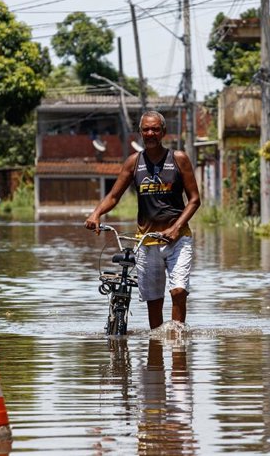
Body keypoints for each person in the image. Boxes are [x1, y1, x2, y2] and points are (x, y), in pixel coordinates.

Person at [85, 110, 201, 329]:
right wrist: (96, 213)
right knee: (154, 301)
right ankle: (156, 350)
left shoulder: (178, 159)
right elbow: (113, 196)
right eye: (146, 129)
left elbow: (194, 200)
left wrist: (176, 229)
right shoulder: (133, 162)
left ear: (163, 132)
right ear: (140, 133)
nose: (150, 133)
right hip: (146, 242)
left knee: (178, 291)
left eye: (155, 129)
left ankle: (177, 346)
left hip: (177, 240)